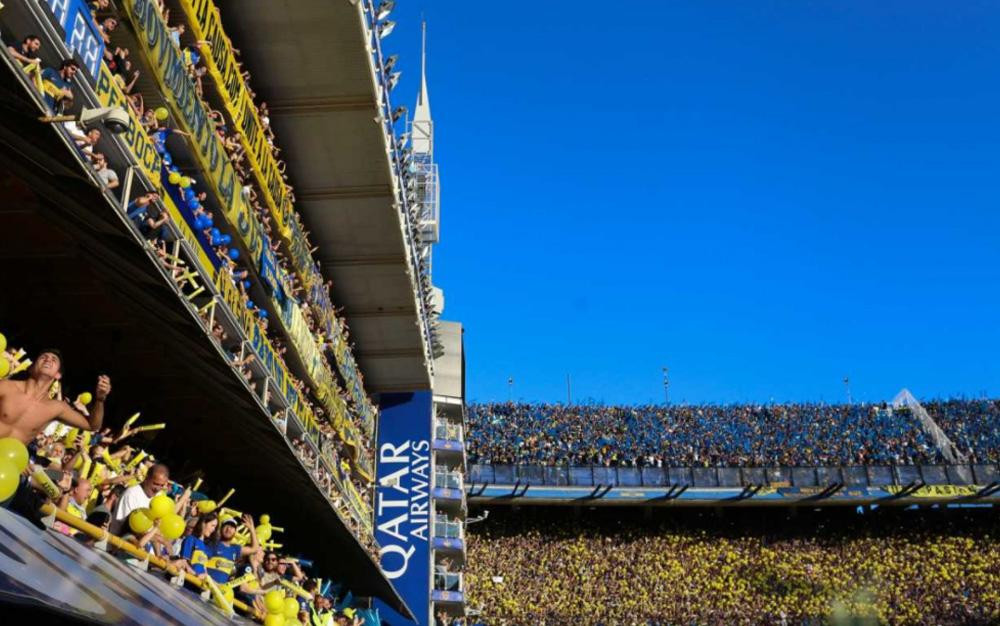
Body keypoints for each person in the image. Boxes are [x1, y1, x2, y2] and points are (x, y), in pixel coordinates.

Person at [0, 349, 110, 443]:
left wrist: (100, 400)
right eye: (43, 357)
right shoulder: (6, 387)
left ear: (58, 375)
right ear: (31, 368)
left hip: (10, 462)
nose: (48, 359)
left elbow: (93, 426)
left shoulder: (57, 408)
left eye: (54, 360)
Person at [110, 462, 169, 535]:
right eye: (155, 484)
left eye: (161, 485)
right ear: (146, 478)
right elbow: (126, 529)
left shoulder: (159, 497)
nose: (157, 489)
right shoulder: (131, 494)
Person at [206, 513, 261, 584]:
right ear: (221, 529)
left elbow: (254, 549)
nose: (229, 529)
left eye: (232, 527)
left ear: (235, 532)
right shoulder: (212, 543)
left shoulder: (235, 549)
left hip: (220, 590)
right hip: (207, 585)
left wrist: (251, 529)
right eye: (226, 526)